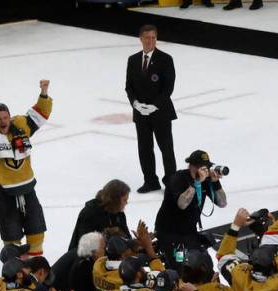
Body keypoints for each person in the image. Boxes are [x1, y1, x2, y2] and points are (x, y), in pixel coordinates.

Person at [0, 79, 52, 256]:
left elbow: (40, 114)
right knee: (11, 239)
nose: (3, 121)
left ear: (9, 117)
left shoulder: (21, 125)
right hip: (4, 194)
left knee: (36, 232)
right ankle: (15, 274)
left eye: (5, 117)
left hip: (28, 188)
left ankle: (34, 272)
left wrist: (44, 92)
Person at [126, 24, 177, 194]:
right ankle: (150, 181)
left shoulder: (165, 59)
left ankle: (171, 181)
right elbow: (129, 87)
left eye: (153, 38)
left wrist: (154, 105)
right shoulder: (132, 60)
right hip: (141, 114)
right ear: (141, 39)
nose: (150, 41)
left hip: (160, 112)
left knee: (166, 148)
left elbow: (168, 87)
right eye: (147, 38)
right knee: (145, 148)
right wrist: (136, 104)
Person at [154, 150, 226, 270]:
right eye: (202, 167)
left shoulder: (205, 181)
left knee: (201, 264)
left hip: (189, 231)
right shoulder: (178, 178)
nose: (205, 171)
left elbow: (222, 203)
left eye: (207, 167)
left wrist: (216, 183)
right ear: (192, 166)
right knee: (180, 265)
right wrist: (196, 183)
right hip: (170, 232)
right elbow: (182, 204)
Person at [68, 179, 130, 251]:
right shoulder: (89, 213)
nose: (126, 203)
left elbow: (127, 239)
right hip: (84, 258)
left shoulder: (119, 214)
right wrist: (108, 236)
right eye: (124, 200)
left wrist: (137, 242)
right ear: (115, 199)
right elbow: (85, 245)